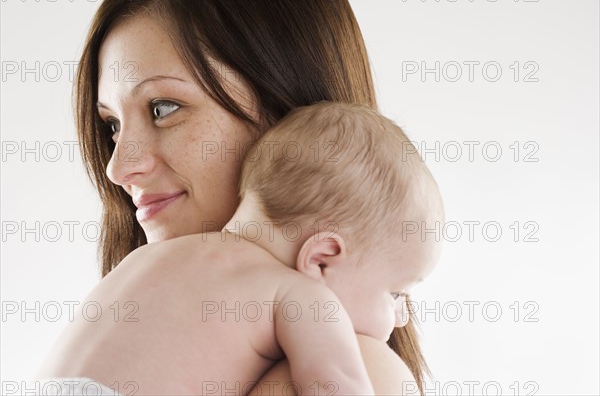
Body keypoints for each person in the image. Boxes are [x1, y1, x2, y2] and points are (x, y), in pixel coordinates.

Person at [52, 0, 435, 394]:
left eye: (163, 108)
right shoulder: (332, 335)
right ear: (321, 260)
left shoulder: (137, 280)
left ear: (283, 104)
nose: (117, 168)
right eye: (113, 125)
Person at [34, 102, 443, 395]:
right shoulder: (299, 295)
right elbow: (337, 387)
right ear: (321, 260)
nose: (401, 317)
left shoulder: (152, 257)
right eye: (395, 293)